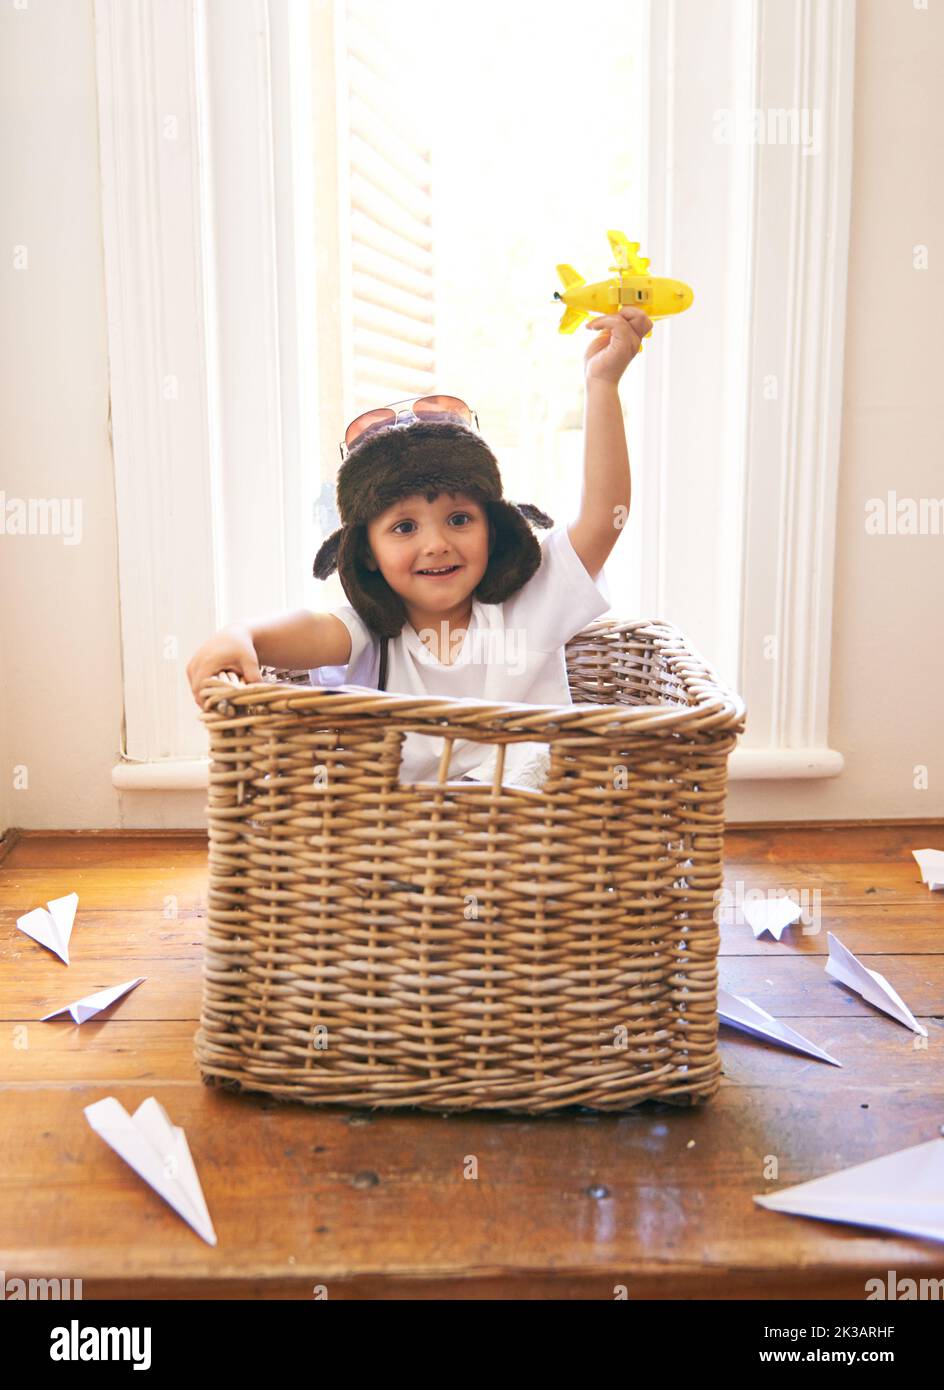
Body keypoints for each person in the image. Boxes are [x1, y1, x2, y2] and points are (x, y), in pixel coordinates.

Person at [186, 306, 652, 787]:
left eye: (459, 519)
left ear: (493, 528)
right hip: (416, 848)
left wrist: (602, 385)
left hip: (530, 836)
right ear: (365, 551)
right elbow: (310, 629)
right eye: (404, 528)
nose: (436, 545)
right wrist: (240, 634)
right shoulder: (373, 632)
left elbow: (603, 518)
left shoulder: (530, 604)